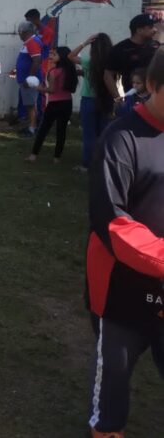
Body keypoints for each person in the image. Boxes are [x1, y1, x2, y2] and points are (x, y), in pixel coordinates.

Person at [85, 51, 164, 437]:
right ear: (151, 85)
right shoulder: (121, 138)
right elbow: (113, 222)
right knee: (113, 383)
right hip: (121, 290)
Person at [69, 33, 114, 171]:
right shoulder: (111, 61)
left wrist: (85, 42)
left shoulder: (88, 61)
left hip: (89, 100)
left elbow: (70, 56)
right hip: (106, 99)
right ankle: (104, 163)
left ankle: (87, 164)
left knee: (89, 134)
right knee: (104, 133)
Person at [26, 46, 78, 163]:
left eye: (55, 55)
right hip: (67, 103)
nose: (51, 56)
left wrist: (39, 88)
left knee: (43, 129)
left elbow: (51, 90)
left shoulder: (54, 72)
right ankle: (57, 158)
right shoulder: (71, 71)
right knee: (61, 131)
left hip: (54, 104)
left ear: (62, 57)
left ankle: (34, 155)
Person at [105, 14, 159, 104]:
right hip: (132, 100)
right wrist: (118, 98)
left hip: (156, 99)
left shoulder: (156, 46)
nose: (155, 30)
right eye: (150, 27)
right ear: (139, 30)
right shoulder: (120, 49)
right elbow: (108, 75)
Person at [10, 21, 42, 137]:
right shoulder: (28, 42)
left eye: (20, 32)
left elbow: (36, 60)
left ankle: (32, 128)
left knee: (31, 105)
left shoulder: (32, 42)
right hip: (26, 79)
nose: (19, 35)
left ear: (25, 32)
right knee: (29, 105)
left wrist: (30, 78)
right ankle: (31, 126)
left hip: (29, 81)